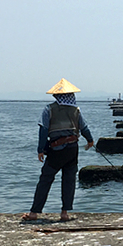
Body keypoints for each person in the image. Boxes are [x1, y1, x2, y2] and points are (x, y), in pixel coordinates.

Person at [22, 78, 94, 222]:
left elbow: (43, 130)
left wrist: (40, 149)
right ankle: (64, 213)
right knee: (69, 180)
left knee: (46, 179)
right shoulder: (76, 110)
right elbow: (84, 128)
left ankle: (34, 212)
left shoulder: (49, 109)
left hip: (56, 150)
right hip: (72, 150)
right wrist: (90, 140)